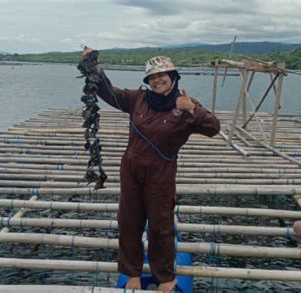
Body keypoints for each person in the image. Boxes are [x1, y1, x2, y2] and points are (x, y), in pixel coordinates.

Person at [82, 49, 220, 291]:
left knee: (161, 225)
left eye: (162, 75)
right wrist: (94, 67)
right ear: (147, 81)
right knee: (129, 222)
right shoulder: (139, 99)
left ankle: (165, 277)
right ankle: (131, 272)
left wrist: (192, 109)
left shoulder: (186, 104)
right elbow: (110, 94)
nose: (157, 80)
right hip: (132, 167)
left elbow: (213, 128)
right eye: (152, 77)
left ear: (173, 76)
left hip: (162, 171)